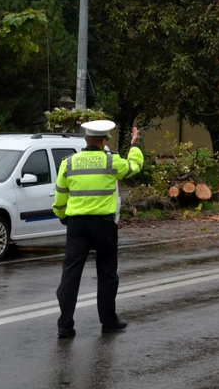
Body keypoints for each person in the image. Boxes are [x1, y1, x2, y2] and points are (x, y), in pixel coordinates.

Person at [53, 120, 144, 338]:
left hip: (76, 224)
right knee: (106, 273)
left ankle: (65, 325)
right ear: (104, 140)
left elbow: (60, 195)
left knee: (71, 273)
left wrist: (63, 216)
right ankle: (108, 321)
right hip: (104, 224)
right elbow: (135, 166)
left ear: (85, 138)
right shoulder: (111, 161)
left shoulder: (69, 163)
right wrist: (135, 145)